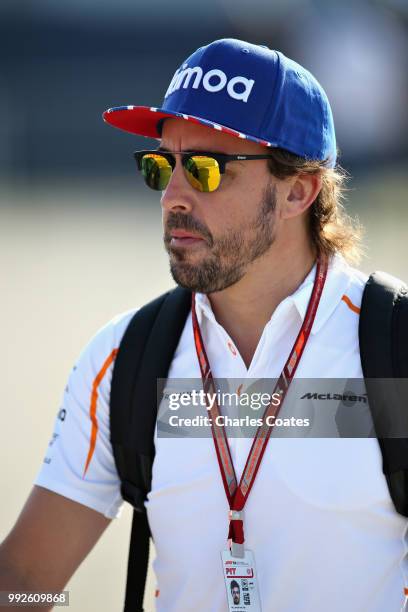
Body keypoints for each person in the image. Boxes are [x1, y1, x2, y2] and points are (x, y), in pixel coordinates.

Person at [0, 38, 406, 612]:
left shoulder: (394, 345)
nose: (172, 196)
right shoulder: (126, 357)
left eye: (206, 169)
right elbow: (25, 579)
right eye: (161, 165)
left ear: (298, 191)